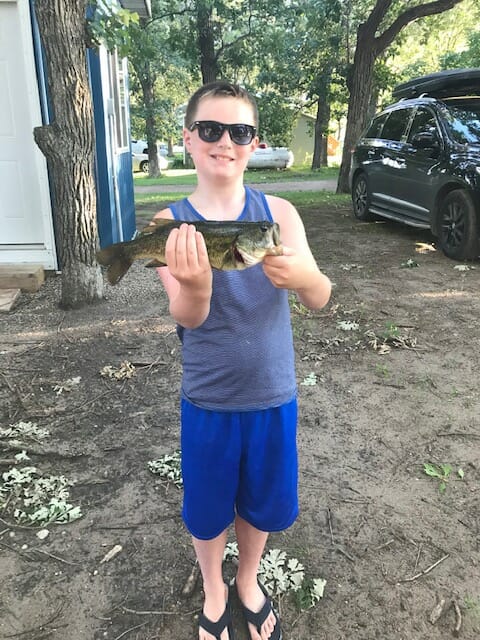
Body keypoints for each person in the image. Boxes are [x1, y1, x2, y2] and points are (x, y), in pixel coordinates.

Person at [153, 81, 331, 640]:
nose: (224, 141)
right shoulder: (170, 223)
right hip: (209, 399)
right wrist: (197, 287)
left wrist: (303, 276)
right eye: (210, 129)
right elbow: (186, 314)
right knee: (208, 510)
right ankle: (213, 587)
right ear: (189, 139)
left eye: (240, 131)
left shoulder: (278, 213)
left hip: (273, 396)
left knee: (259, 501)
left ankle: (248, 580)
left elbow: (320, 296)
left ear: (254, 144)